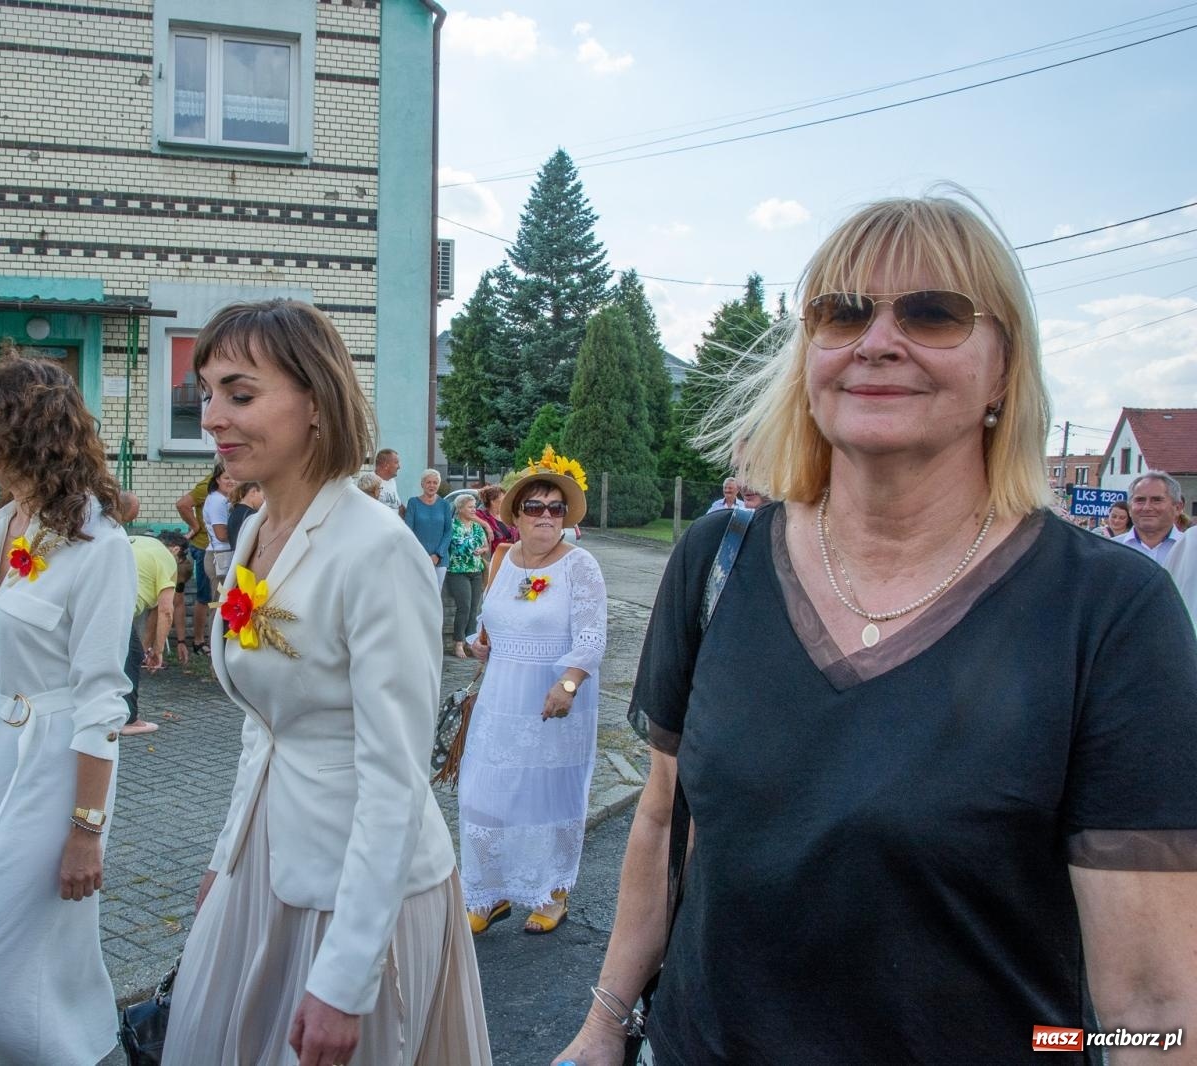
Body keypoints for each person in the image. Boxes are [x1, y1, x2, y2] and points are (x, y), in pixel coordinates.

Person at [554, 192, 1197, 1066]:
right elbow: (664, 821)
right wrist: (603, 1024)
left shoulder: (1110, 610)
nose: (877, 340)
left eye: (933, 313)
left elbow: (1155, 1007)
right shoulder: (719, 563)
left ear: (1005, 370)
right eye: (841, 312)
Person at [162, 299, 491, 1066]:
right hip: (266, 860)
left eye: (239, 395)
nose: (212, 417)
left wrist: (347, 977)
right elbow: (264, 725)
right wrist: (225, 857)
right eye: (207, 394)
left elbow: (395, 776)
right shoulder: (254, 529)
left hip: (356, 892)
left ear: (315, 401)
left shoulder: (376, 551)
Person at [0, 357, 135, 1066]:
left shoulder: (101, 548)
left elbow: (103, 699)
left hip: (52, 772)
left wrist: (85, 833)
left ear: (28, 434)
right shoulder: (1, 525)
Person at [461, 452, 606, 937]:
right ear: (517, 513)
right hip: (501, 699)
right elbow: (493, 625)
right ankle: (489, 893)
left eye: (556, 509)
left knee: (547, 799)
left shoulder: (580, 565)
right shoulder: (503, 558)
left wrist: (567, 685)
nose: (546, 516)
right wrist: (480, 646)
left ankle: (553, 893)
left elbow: (591, 638)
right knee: (486, 794)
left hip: (555, 704)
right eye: (536, 507)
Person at [121, 530, 188, 738]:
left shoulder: (137, 541)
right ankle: (128, 720)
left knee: (124, 654)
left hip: (91, 597)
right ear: (176, 550)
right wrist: (158, 651)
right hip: (117, 608)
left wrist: (148, 648)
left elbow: (153, 613)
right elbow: (166, 610)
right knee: (130, 659)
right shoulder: (167, 559)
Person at [176, 464, 222, 657]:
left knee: (214, 597)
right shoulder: (208, 485)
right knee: (205, 597)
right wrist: (195, 527)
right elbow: (182, 504)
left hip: (214, 547)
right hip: (204, 547)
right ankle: (198, 641)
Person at [444, 493, 490, 660]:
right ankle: (458, 643)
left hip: (476, 570)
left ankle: (470, 642)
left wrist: (482, 551)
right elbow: (446, 544)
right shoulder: (452, 525)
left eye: (474, 507)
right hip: (457, 571)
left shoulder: (477, 527)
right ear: (460, 508)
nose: (474, 510)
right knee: (464, 606)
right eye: (470, 507)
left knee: (473, 608)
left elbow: (485, 546)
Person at [1113, 471, 1184, 563]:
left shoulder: (1191, 549)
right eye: (1140, 500)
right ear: (1130, 508)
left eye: (1157, 500)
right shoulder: (1110, 549)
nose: (1147, 507)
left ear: (1177, 508)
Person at [404, 468, 452, 588]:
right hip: (418, 557)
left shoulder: (445, 505)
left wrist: (438, 554)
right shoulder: (413, 503)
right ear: (422, 484)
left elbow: (448, 531)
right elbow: (408, 531)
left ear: (438, 485)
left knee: (436, 594)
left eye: (435, 482)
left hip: (439, 560)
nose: (432, 485)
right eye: (428, 482)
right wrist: (421, 555)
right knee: (418, 593)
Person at [477, 483, 517, 554]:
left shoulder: (507, 515)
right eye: (502, 498)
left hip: (512, 556)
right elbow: (469, 515)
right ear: (493, 501)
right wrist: (486, 525)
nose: (505, 500)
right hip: (495, 559)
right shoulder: (483, 516)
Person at [226, 480, 263, 554]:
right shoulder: (251, 515)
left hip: (237, 560)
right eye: (263, 497)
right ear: (253, 492)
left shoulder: (234, 511)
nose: (264, 502)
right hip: (247, 562)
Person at [374, 447, 403, 514]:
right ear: (386, 465)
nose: (399, 467)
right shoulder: (370, 480)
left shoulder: (392, 481)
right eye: (396, 463)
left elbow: (398, 505)